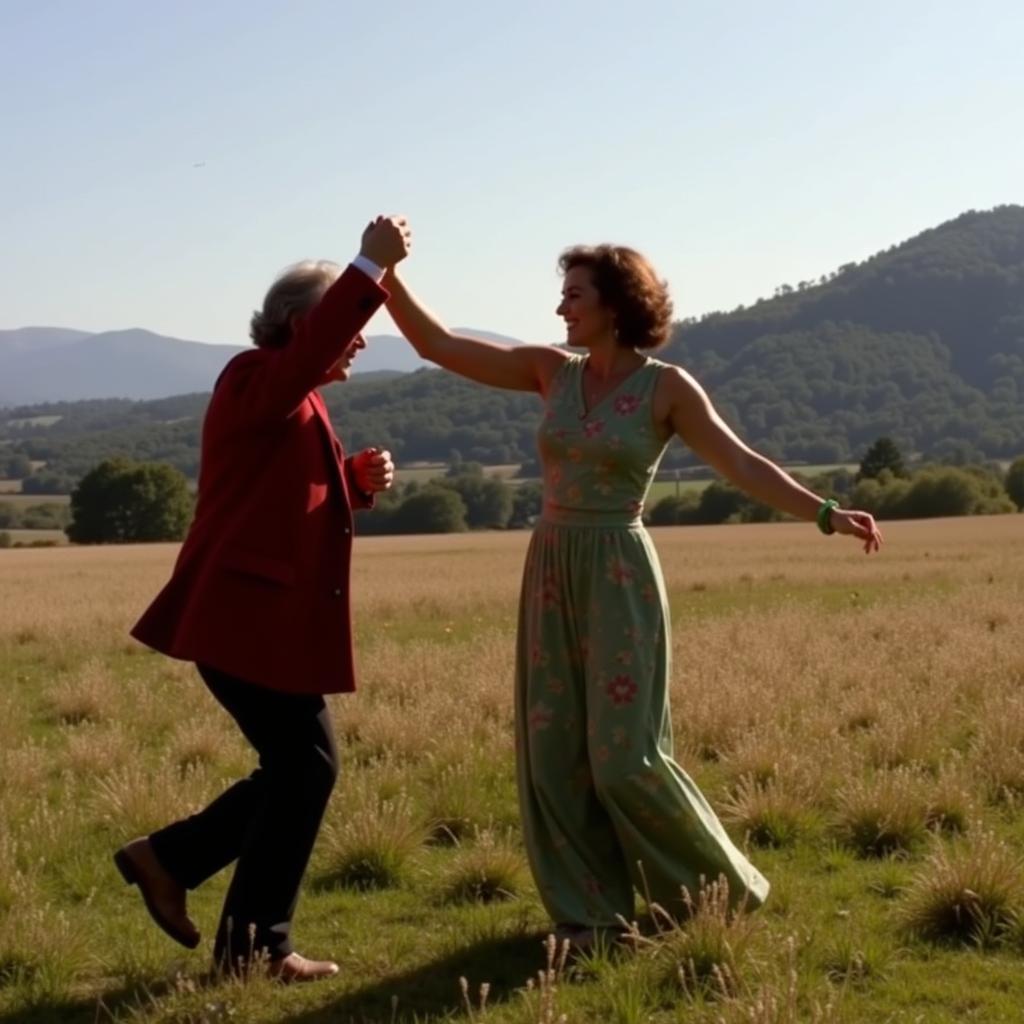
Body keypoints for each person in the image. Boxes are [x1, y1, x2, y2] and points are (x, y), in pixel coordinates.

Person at [383, 243, 882, 947]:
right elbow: (437, 345)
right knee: (554, 748)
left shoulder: (667, 388)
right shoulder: (548, 371)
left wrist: (824, 512)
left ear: (616, 305)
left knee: (626, 756)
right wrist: (389, 276)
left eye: (575, 295)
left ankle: (717, 892)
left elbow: (738, 462)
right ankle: (590, 915)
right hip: (551, 564)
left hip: (618, 569)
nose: (561, 307)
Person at [116, 215, 412, 982]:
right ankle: (244, 936)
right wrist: (369, 267)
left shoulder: (296, 398)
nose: (362, 339)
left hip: (258, 624)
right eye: (349, 323)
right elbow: (303, 366)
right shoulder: (254, 376)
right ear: (300, 324)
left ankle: (180, 873)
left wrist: (351, 482)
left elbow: (277, 501)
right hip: (242, 623)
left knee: (298, 770)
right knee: (306, 769)